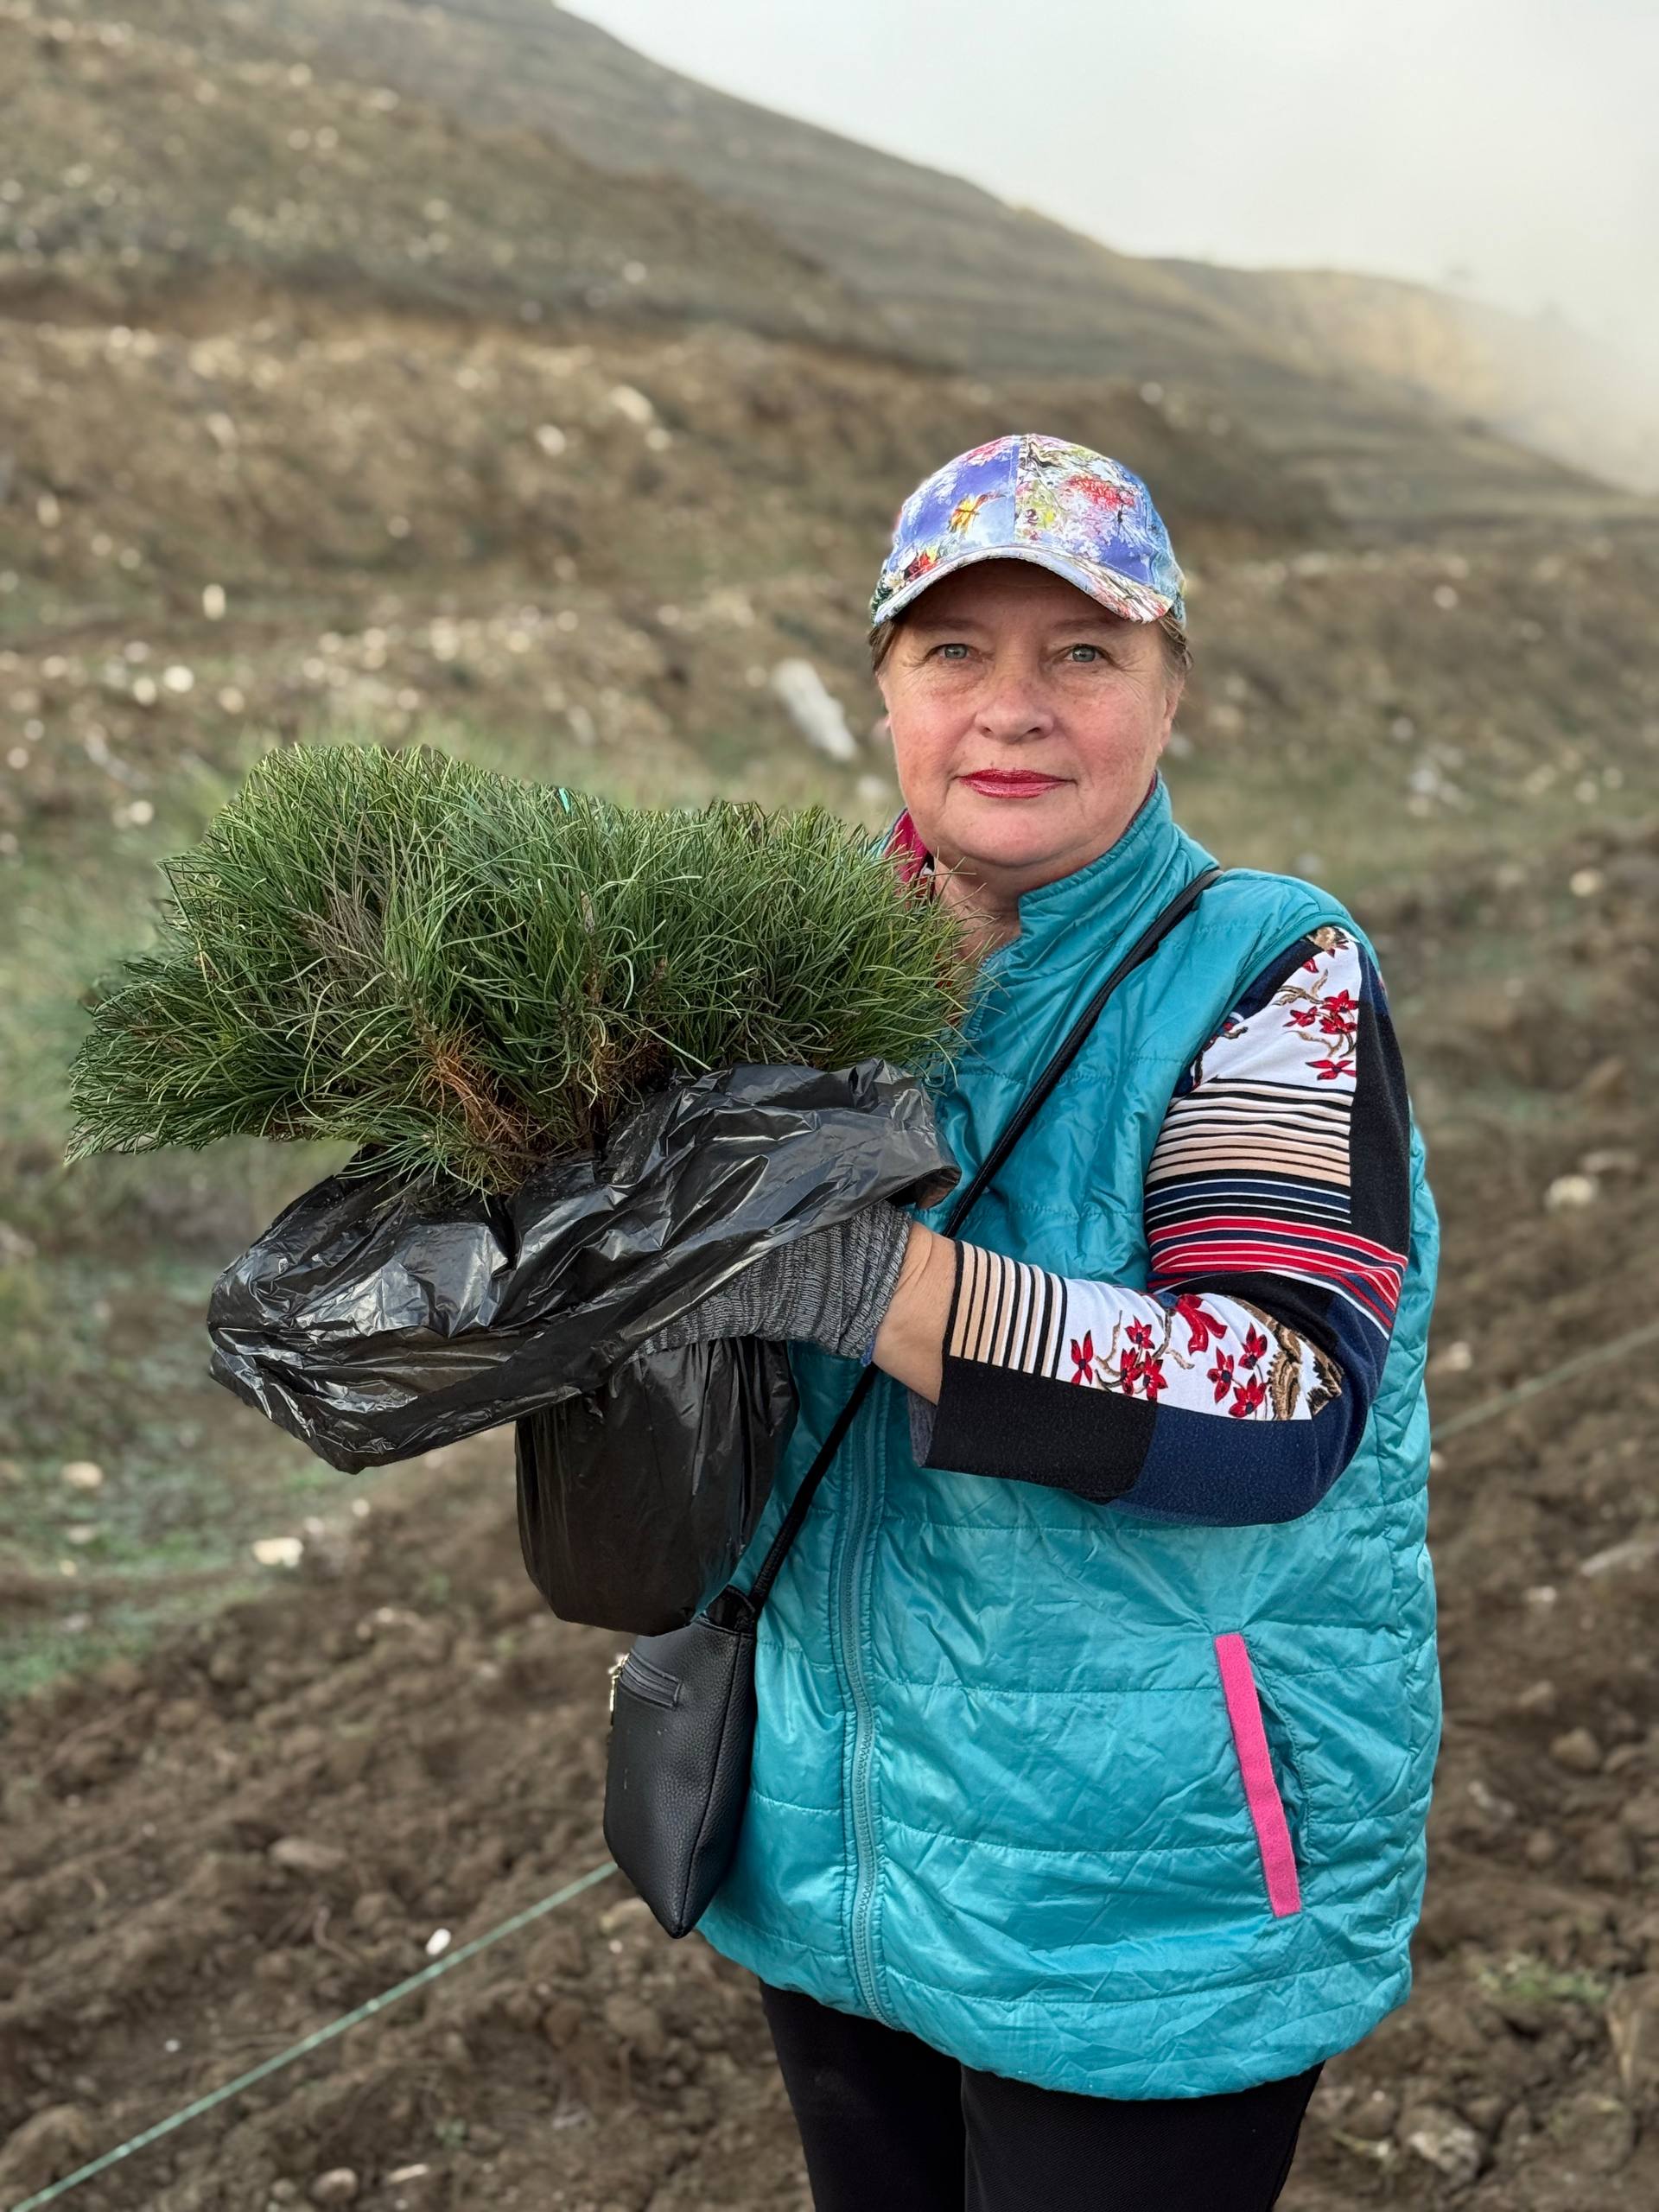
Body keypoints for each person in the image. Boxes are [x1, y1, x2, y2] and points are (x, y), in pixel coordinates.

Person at [645, 433, 1440, 2211]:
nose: (1013, 706)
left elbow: (1274, 1395)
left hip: (1138, 1895)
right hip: (841, 1856)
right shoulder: (786, 973)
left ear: (1170, 690)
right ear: (885, 689)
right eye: (956, 650)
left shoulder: (1264, 969)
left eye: (1082, 650)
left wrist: (869, 1280)